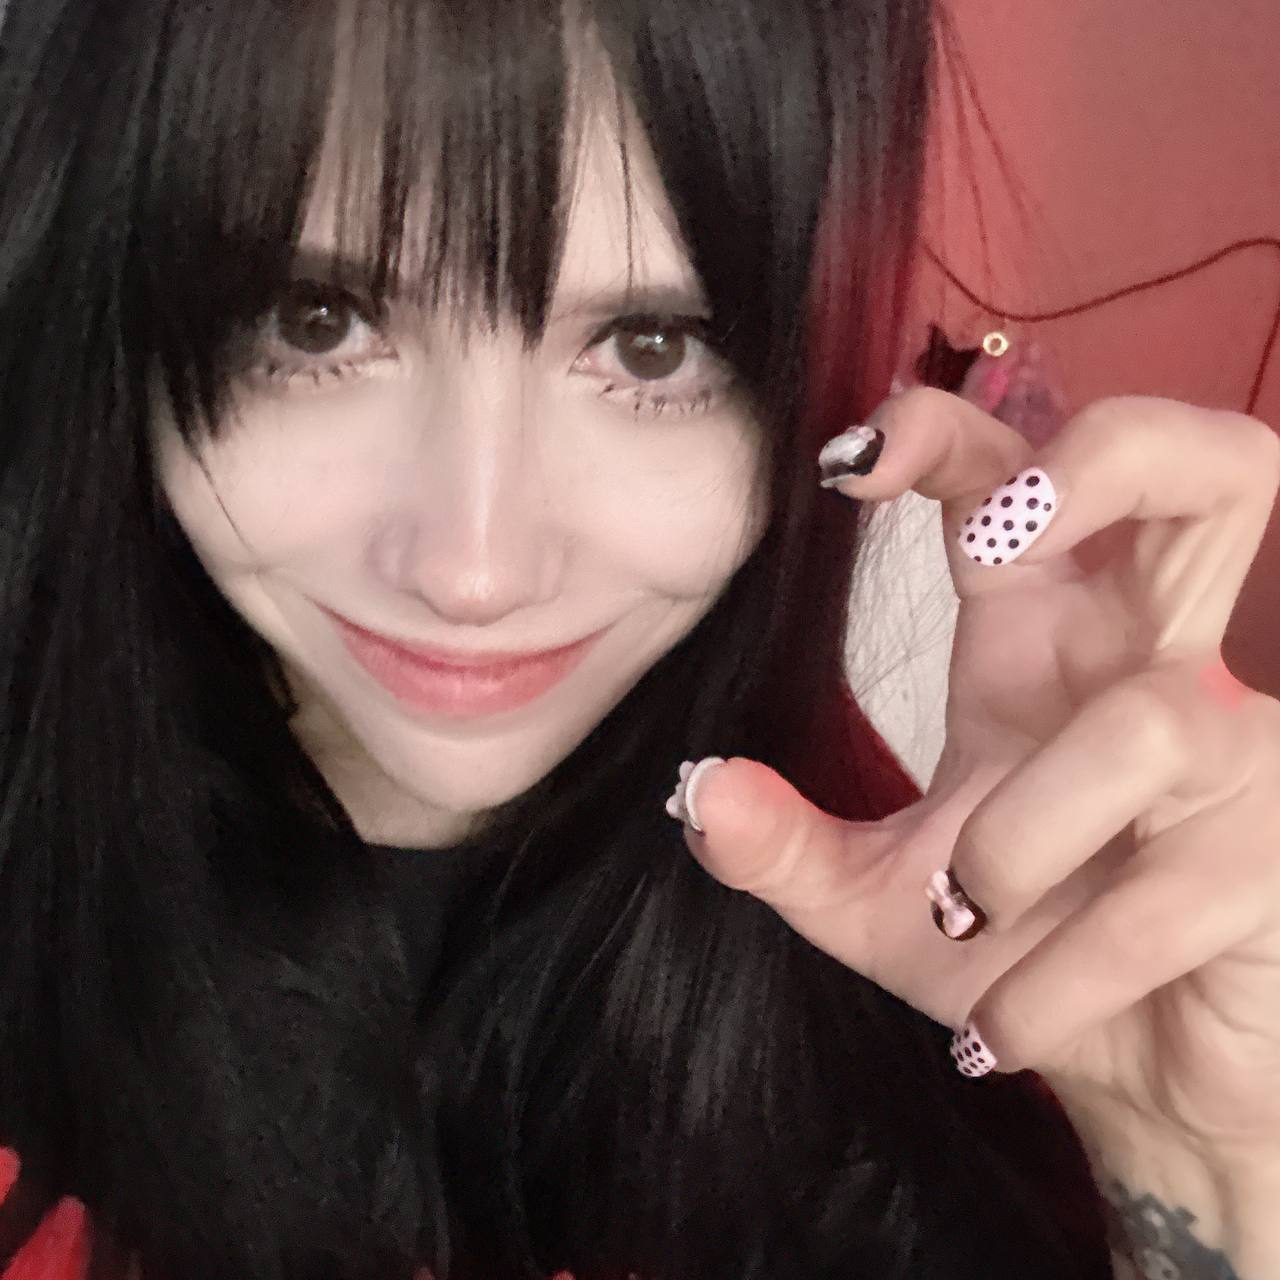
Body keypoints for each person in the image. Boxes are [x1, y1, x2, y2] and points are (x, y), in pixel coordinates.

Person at [0, 1, 1276, 1279]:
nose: (474, 572)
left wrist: (1209, 1172)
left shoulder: (945, 989)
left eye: (651, 349)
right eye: (315, 319)